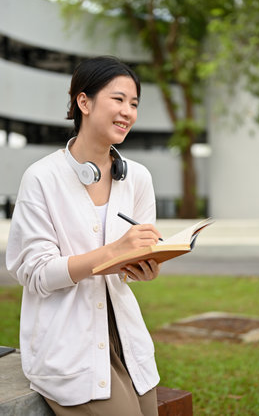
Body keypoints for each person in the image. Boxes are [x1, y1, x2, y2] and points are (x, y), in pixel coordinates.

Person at [6, 56, 163, 416]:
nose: (128, 111)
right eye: (119, 99)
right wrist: (111, 252)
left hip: (126, 337)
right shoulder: (41, 177)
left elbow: (131, 260)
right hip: (67, 344)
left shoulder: (138, 178)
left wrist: (145, 266)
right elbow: (35, 274)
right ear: (84, 102)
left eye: (135, 103)